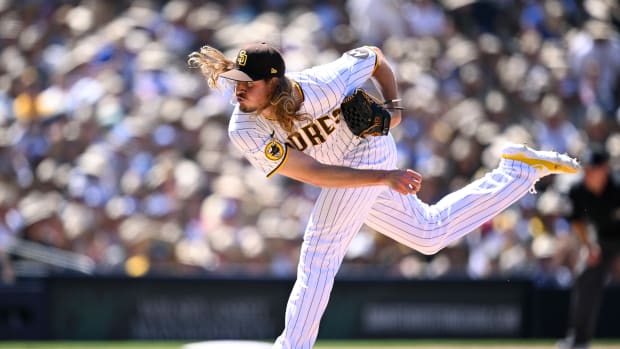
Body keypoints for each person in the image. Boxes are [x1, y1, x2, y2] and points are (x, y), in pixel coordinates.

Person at [188, 42, 580, 349]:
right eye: (235, 80)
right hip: (353, 173)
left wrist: (394, 108)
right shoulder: (244, 128)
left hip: (369, 150)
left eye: (247, 81)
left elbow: (373, 57)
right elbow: (314, 173)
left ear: (273, 82)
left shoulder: (323, 84)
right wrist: (382, 179)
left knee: (320, 250)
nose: (237, 88)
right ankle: (517, 171)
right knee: (429, 234)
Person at [558, 144, 620, 349]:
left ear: (605, 169)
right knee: (585, 277)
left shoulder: (617, 187)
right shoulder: (578, 190)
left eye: (594, 168)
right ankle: (579, 340)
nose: (589, 173)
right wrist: (588, 246)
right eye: (587, 169)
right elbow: (577, 221)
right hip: (602, 240)